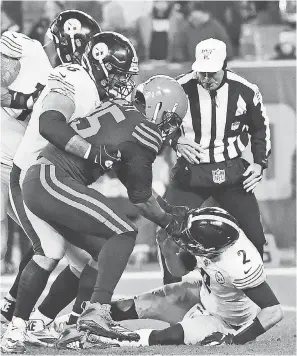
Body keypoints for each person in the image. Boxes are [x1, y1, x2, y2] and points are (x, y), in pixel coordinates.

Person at [20, 63, 188, 345]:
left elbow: (138, 188)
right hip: (53, 178)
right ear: (160, 109)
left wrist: (170, 211)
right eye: (169, 120)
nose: (167, 128)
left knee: (102, 251)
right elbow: (142, 200)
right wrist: (172, 223)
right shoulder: (146, 131)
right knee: (122, 233)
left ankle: (74, 327)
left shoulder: (123, 112)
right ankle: (97, 312)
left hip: (45, 179)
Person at [0, 10, 108, 354]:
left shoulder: (72, 76)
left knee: (87, 255)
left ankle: (44, 322)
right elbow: (47, 119)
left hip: (48, 178)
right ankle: (16, 326)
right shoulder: (44, 61)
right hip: (24, 173)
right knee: (47, 249)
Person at [75, 207, 283, 348]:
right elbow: (179, 272)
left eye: (195, 239)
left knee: (166, 337)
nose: (189, 240)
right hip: (203, 296)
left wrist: (236, 340)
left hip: (228, 322)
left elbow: (273, 311)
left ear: (211, 245)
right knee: (139, 304)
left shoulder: (238, 264)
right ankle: (74, 320)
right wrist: (167, 252)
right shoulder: (215, 241)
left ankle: (102, 340)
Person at [159, 37, 271, 285]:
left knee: (254, 235)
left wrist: (259, 163)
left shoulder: (245, 91)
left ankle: (251, 295)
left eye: (212, 73)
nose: (206, 78)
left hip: (231, 172)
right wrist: (175, 141)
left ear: (225, 66)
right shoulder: (178, 89)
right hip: (190, 175)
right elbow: (156, 124)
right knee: (168, 233)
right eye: (202, 72)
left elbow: (260, 129)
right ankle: (172, 294)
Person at [0, 30, 52, 271]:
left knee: (45, 237)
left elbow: (48, 106)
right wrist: (26, 100)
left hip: (22, 163)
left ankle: (16, 301)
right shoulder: (18, 51)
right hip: (5, 157)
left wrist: (24, 100)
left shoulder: (37, 60)